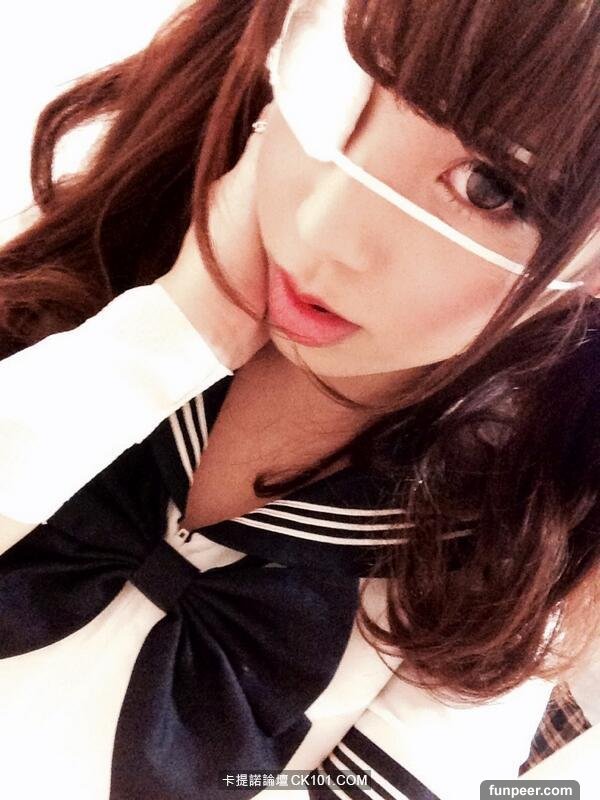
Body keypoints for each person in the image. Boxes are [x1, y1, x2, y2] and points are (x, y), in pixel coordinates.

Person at [0, 0, 598, 798]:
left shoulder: (489, 592)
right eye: (345, 83)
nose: (323, 230)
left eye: (490, 188)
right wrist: (171, 337)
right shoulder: (84, 268)